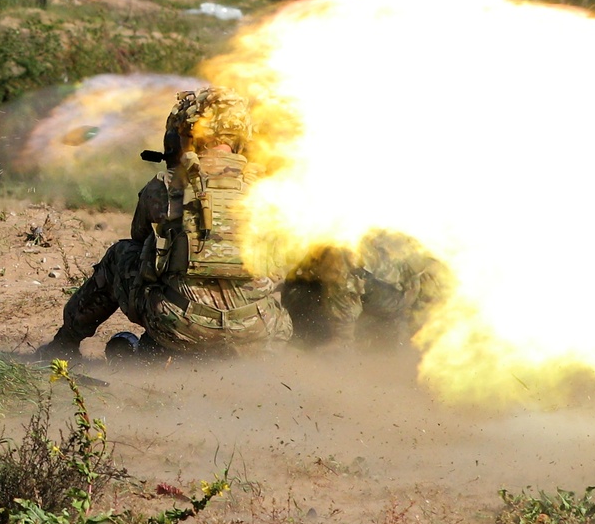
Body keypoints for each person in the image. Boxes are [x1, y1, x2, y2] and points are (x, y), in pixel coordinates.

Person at [40, 87, 292, 360]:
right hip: (258, 331)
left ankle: (63, 345)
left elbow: (139, 237)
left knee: (120, 255)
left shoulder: (167, 184)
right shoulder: (270, 189)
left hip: (178, 327)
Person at [282, 229, 453, 348]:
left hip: (394, 305)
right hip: (346, 304)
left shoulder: (415, 246)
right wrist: (341, 339)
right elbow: (341, 284)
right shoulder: (348, 244)